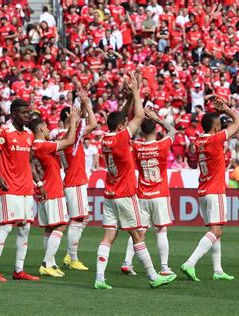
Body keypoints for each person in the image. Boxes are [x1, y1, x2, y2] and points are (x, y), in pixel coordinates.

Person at [94, 74, 177, 289]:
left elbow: (121, 117)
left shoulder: (106, 138)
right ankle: (153, 276)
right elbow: (139, 115)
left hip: (110, 194)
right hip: (125, 194)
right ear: (122, 127)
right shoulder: (122, 138)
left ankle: (100, 278)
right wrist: (138, 92)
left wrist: (129, 97)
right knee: (138, 235)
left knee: (108, 236)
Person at [180, 97, 239, 282]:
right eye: (220, 124)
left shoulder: (199, 139)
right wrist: (226, 108)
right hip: (215, 190)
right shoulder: (216, 139)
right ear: (217, 127)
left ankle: (217, 270)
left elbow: (211, 126)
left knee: (216, 231)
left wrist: (219, 113)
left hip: (203, 190)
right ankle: (190, 263)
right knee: (216, 231)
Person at [0, 99, 41, 282]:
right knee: (6, 226)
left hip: (26, 188)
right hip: (9, 187)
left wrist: (39, 183)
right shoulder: (4, 131)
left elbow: (30, 161)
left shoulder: (29, 134)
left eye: (29, 112)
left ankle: (19, 270)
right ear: (14, 114)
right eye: (24, 113)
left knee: (25, 228)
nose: (28, 115)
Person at [121, 108, 176, 276]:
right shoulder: (162, 145)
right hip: (159, 194)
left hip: (142, 194)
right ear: (156, 130)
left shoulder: (137, 146)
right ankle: (164, 267)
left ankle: (127, 262)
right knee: (161, 230)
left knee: (139, 232)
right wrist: (157, 118)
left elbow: (130, 135)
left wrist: (140, 122)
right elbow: (172, 130)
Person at [29, 107, 80, 278]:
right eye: (47, 128)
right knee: (61, 225)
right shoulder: (44, 145)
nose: (49, 130)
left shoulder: (33, 146)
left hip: (43, 189)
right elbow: (70, 140)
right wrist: (73, 120)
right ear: (41, 129)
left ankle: (51, 263)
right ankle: (46, 262)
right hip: (52, 189)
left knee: (50, 228)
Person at [57, 90, 97, 271]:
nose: (78, 115)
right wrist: (87, 104)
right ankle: (72, 258)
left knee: (83, 219)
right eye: (74, 113)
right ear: (68, 116)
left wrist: (83, 106)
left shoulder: (61, 136)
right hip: (75, 180)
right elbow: (94, 124)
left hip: (72, 179)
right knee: (77, 220)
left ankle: (69, 253)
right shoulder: (69, 136)